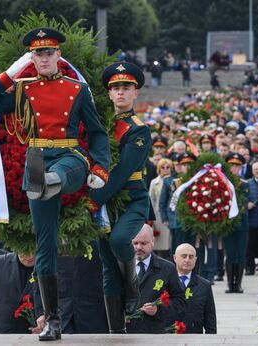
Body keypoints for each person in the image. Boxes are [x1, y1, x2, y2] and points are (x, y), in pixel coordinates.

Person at [0, 28, 110, 341]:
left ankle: (52, 180)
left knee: (60, 172)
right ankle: (53, 320)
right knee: (44, 245)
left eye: (49, 52)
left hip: (70, 156)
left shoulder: (77, 89)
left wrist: (101, 167)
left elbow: (98, 132)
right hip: (36, 161)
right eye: (38, 54)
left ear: (58, 55)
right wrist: (10, 74)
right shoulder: (22, 89)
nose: (44, 58)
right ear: (31, 58)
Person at [88, 61, 151, 334]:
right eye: (115, 88)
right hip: (104, 202)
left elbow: (123, 171)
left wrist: (93, 198)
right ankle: (117, 333)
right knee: (107, 269)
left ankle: (133, 282)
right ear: (109, 94)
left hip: (132, 199)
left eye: (126, 87)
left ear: (135, 92)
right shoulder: (100, 125)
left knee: (119, 239)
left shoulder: (138, 129)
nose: (121, 93)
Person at [34, 242, 108, 334]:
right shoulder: (52, 239)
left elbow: (111, 274)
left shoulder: (96, 238)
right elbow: (40, 276)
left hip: (94, 314)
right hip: (61, 315)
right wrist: (41, 312)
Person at [126, 224, 185, 334]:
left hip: (154, 333)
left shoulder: (167, 268)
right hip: (127, 333)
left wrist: (158, 310)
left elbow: (180, 302)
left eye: (143, 243)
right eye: (135, 243)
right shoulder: (121, 267)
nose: (139, 247)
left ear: (152, 242)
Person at [168, 243, 216, 334]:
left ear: (195, 259)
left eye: (191, 257)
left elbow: (210, 319)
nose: (187, 260)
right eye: (184, 256)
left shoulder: (204, 285)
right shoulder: (165, 282)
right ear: (175, 258)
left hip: (194, 337)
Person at [223, 153, 249, 293]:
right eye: (231, 165)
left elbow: (242, 203)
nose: (234, 168)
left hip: (241, 224)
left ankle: (237, 284)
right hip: (227, 224)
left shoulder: (244, 184)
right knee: (230, 254)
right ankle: (229, 284)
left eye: (237, 165)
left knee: (240, 254)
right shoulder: (223, 183)